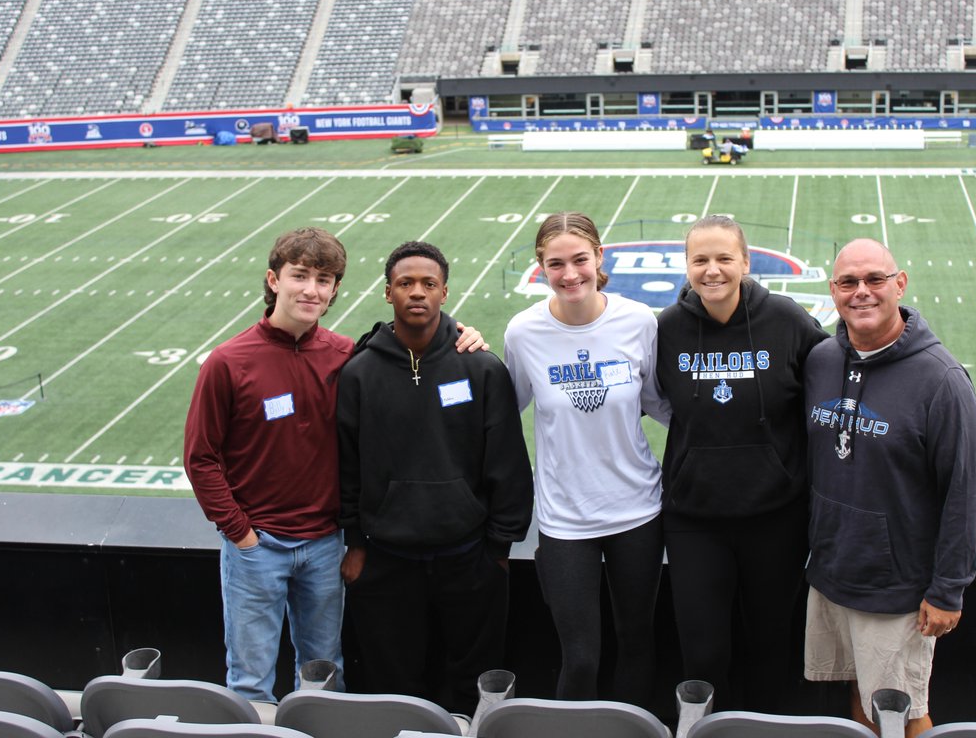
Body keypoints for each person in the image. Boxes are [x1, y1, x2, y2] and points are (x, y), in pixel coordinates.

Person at [184, 227, 485, 702]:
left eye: (324, 279)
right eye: (300, 276)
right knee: (249, 681)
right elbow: (201, 458)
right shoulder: (229, 362)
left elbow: (413, 342)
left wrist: (461, 334)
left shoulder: (347, 354)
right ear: (273, 279)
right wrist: (240, 532)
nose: (311, 289)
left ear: (335, 289)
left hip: (325, 546)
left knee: (325, 677)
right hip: (257, 546)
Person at [336, 240, 533, 714]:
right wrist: (356, 543)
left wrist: (499, 550)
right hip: (387, 560)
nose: (417, 292)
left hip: (468, 556)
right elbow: (346, 465)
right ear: (388, 293)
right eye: (406, 283)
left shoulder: (480, 367)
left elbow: (506, 460)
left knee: (475, 683)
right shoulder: (360, 373)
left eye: (429, 283)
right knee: (395, 683)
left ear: (445, 292)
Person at [802, 238, 976, 737]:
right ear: (833, 291)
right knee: (862, 697)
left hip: (898, 587)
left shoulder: (941, 379)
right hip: (835, 572)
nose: (861, 292)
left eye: (874, 279)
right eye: (848, 282)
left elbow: (965, 492)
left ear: (899, 284)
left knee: (902, 708)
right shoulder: (821, 360)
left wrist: (949, 589)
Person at [654, 215, 827, 712]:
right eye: (700, 260)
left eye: (724, 258)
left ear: (746, 263)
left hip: (776, 517)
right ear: (686, 266)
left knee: (771, 646)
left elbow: (832, 381)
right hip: (694, 519)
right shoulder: (665, 329)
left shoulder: (788, 320)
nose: (712, 270)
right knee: (703, 652)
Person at [503, 212, 669, 707]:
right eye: (556, 264)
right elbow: (503, 412)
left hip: (637, 509)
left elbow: (662, 403)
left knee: (637, 642)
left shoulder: (638, 321)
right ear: (541, 268)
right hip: (564, 519)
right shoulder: (523, 332)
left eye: (580, 259)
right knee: (579, 656)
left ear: (600, 257)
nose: (570, 273)